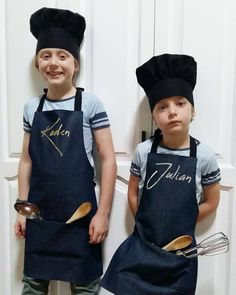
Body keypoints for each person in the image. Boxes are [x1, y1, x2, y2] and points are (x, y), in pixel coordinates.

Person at [14, 7, 117, 295]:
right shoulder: (31, 108)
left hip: (81, 216)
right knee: (33, 286)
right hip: (40, 216)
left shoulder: (91, 104)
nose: (54, 63)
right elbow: (25, 160)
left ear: (76, 64)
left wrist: (103, 214)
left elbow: (108, 160)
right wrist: (22, 208)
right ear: (37, 65)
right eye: (45, 56)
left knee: (85, 286)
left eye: (62, 56)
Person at [101, 53, 221, 294]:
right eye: (162, 107)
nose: (172, 112)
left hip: (180, 255)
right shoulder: (144, 152)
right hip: (142, 248)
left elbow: (213, 201)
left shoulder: (205, 156)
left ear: (193, 111)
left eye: (180, 103)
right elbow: (133, 191)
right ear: (154, 117)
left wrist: (185, 220)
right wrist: (144, 221)